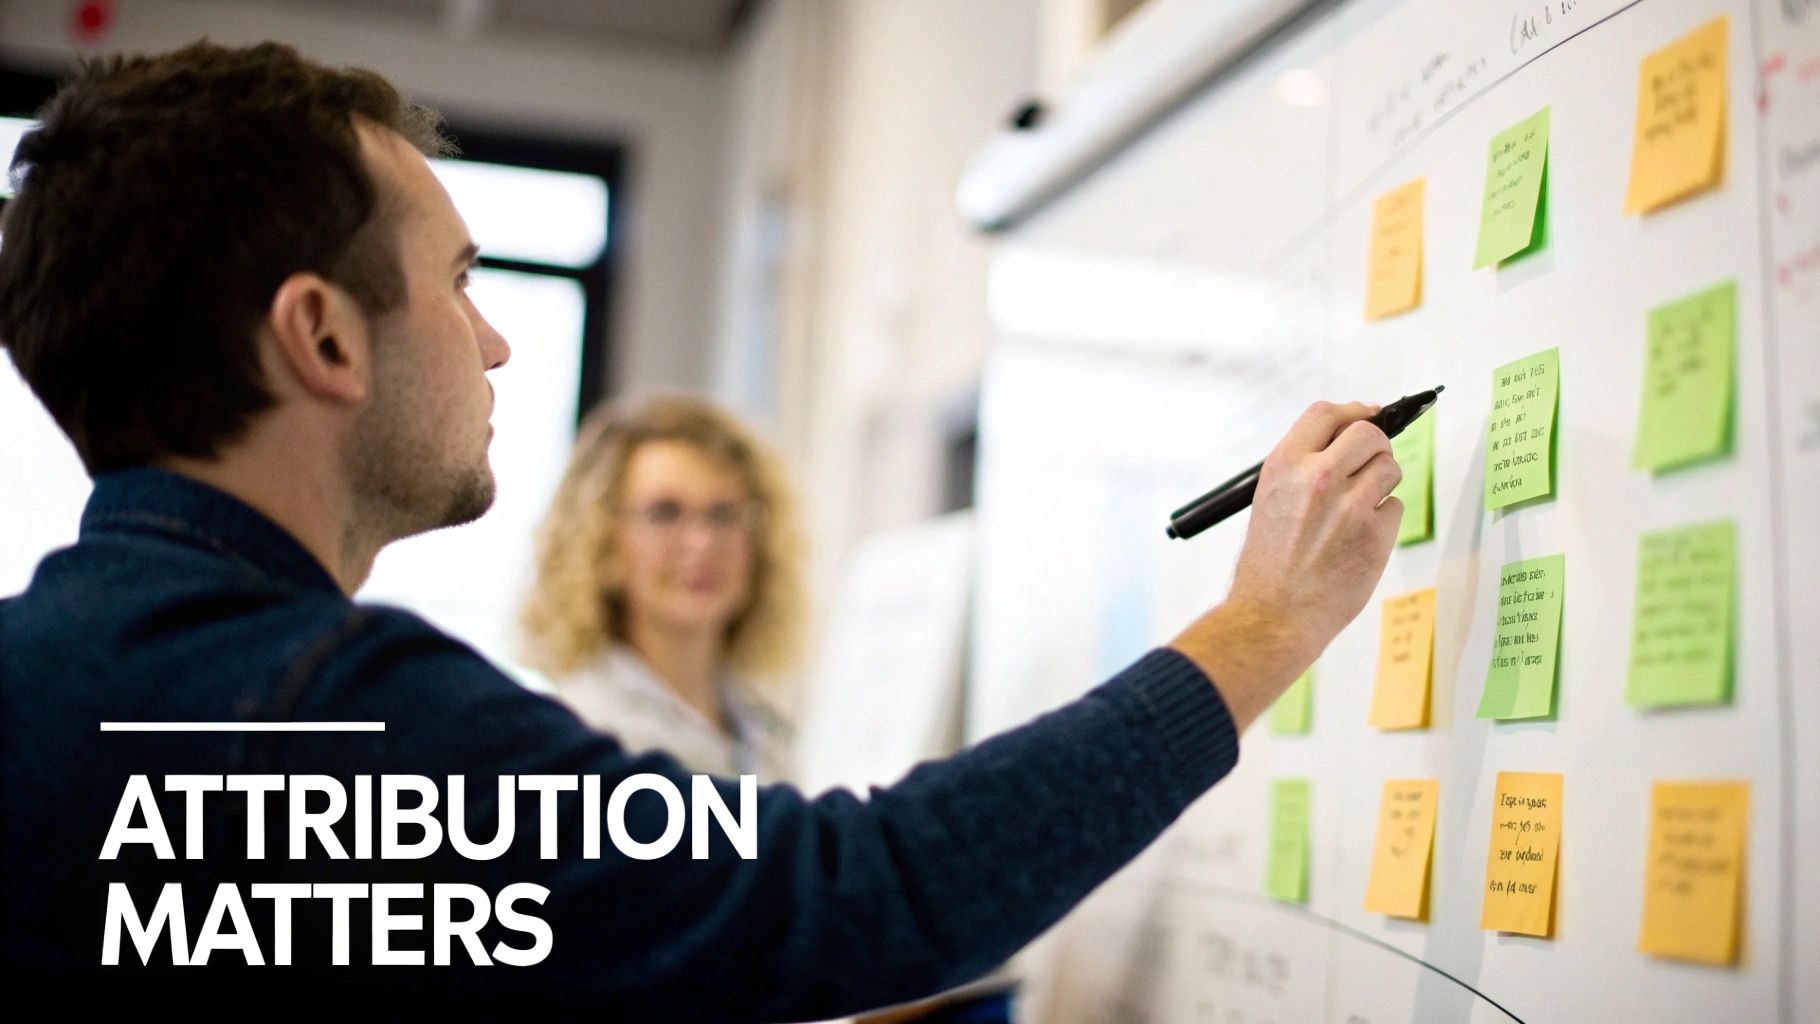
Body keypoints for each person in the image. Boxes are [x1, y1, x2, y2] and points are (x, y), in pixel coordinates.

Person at [0, 42, 1404, 1017]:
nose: (492, 342)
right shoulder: (324, 718)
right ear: (321, 337)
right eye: (457, 281)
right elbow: (853, 894)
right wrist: (1262, 623)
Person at [519, 396, 802, 783]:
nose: (701, 542)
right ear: (600, 539)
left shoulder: (766, 726)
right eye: (665, 513)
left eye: (723, 514)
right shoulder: (583, 731)